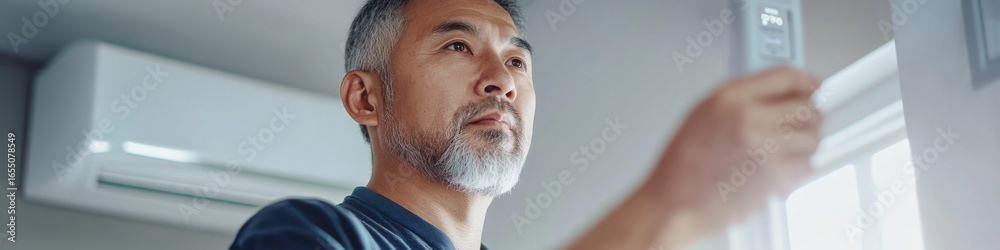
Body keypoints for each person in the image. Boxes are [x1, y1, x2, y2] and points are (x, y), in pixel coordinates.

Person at [229, 0, 822, 249]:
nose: (502, 80)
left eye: (517, 59)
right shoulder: (303, 234)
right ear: (366, 97)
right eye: (458, 46)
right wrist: (663, 205)